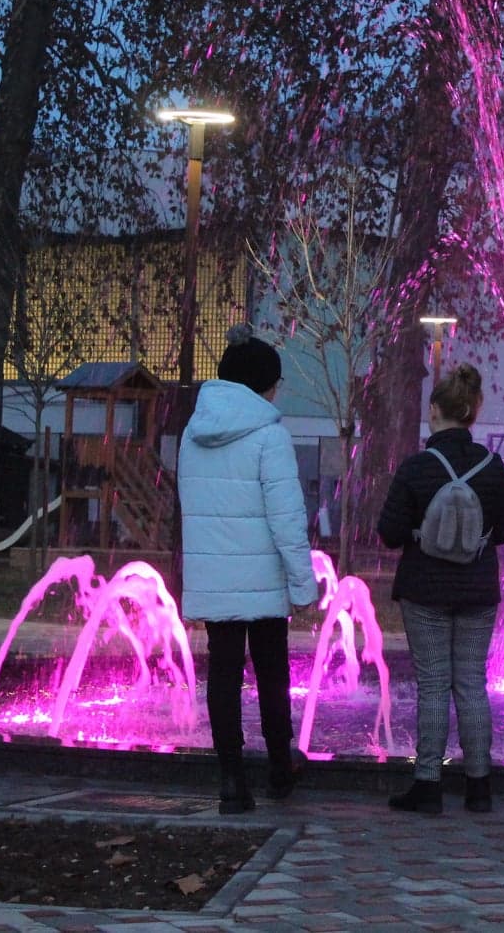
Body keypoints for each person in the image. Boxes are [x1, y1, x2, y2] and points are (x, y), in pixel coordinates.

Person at [178, 324, 319, 814]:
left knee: (222, 675)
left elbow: (193, 512)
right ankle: (281, 766)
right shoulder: (269, 437)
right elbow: (287, 520)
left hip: (214, 582)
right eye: (276, 383)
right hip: (262, 586)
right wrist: (305, 586)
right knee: (272, 675)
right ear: (264, 385)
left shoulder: (193, 435)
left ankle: (232, 781)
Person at [377, 362, 504, 814]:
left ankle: (428, 784)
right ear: (472, 414)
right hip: (477, 590)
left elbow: (390, 532)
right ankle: (480, 785)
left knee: (434, 684)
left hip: (425, 590)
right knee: (472, 684)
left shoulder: (417, 468)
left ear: (435, 410)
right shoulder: (493, 467)